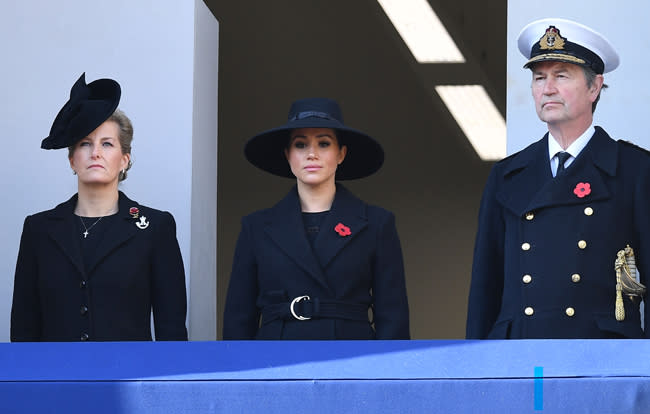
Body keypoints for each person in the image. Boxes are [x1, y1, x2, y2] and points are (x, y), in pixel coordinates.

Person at [466, 18, 650, 339]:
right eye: (539, 78)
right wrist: (479, 370)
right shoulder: (507, 176)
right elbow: (485, 286)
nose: (547, 88)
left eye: (561, 76)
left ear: (594, 87)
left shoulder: (634, 171)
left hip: (599, 356)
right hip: (520, 354)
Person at [10, 73, 188, 341]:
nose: (96, 153)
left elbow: (171, 329)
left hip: (130, 377)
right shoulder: (38, 229)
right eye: (85, 143)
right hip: (56, 378)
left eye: (107, 144)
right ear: (72, 160)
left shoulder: (155, 228)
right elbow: (24, 327)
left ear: (124, 160)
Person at [223, 97, 410, 340]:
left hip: (351, 359)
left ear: (341, 154)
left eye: (323, 143)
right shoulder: (256, 228)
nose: (312, 154)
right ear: (287, 155)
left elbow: (393, 316)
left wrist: (385, 374)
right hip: (275, 360)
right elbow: (239, 319)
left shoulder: (377, 224)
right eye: (300, 145)